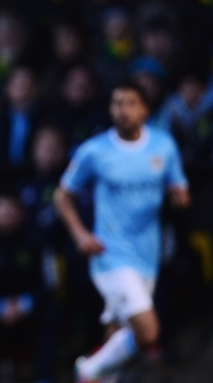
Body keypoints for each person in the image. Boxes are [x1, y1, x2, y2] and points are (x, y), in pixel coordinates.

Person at [53, 82, 190, 382]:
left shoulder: (163, 146)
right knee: (148, 331)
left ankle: (102, 374)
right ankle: (87, 370)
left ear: (145, 110)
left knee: (118, 335)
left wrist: (179, 196)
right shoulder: (95, 151)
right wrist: (80, 235)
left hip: (147, 255)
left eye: (130, 103)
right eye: (117, 103)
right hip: (110, 255)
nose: (123, 110)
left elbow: (179, 186)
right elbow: (62, 196)